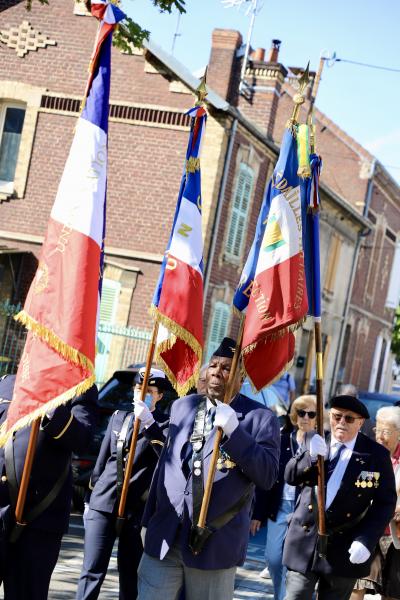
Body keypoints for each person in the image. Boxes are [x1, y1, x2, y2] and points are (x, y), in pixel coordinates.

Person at [137, 337, 281, 600]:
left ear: (241, 377)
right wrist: (148, 521)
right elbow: (164, 469)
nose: (216, 371)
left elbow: (267, 476)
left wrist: (235, 433)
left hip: (213, 544)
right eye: (213, 365)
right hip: (166, 535)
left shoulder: (260, 419)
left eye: (226, 367)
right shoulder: (184, 406)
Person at [76, 367, 177, 600]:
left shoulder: (166, 426)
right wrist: (90, 501)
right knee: (91, 571)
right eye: (139, 388)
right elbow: (101, 464)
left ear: (160, 395)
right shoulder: (118, 418)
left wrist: (149, 422)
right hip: (104, 501)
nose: (143, 394)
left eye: (150, 390)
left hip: (137, 510)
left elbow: (167, 458)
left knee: (130, 576)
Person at [282, 394, 397, 600]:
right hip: (306, 539)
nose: (341, 422)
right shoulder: (314, 439)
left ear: (361, 422)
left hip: (345, 544)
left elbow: (385, 504)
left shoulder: (375, 455)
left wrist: (366, 539)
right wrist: (309, 456)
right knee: (295, 595)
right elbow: (291, 476)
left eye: (349, 418)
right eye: (337, 416)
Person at [0, 373, 98, 600]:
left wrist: (52, 409)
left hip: (38, 518)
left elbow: (82, 439)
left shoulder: (79, 388)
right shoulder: (7, 382)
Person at [251, 395, 317, 600]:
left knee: (292, 563)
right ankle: (283, 593)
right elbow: (266, 479)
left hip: (305, 511)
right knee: (273, 558)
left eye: (311, 414)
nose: (305, 417)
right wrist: (257, 514)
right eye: (301, 413)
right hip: (278, 506)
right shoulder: (281, 440)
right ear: (293, 415)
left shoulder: (322, 444)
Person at [351, 406, 400, 600]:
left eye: (386, 432)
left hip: (396, 534)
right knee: (356, 585)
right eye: (377, 430)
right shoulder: (369, 455)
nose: (380, 436)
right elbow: (359, 488)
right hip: (368, 530)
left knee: (392, 592)